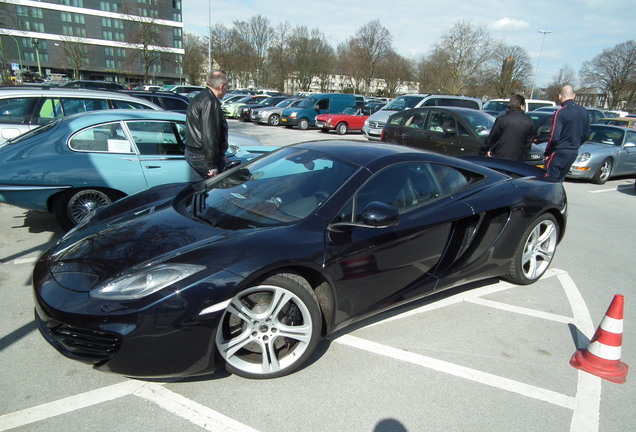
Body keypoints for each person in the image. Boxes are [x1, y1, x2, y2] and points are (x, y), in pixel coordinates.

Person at [185, 70, 230, 178]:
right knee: (216, 191)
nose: (226, 90)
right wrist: (212, 164)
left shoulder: (199, 97)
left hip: (193, 152)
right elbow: (210, 135)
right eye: (227, 87)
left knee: (197, 190)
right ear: (221, 86)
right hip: (203, 156)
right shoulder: (210, 102)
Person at [543, 85, 590, 182]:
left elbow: (554, 137)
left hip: (559, 151)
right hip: (573, 151)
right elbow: (586, 135)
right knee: (560, 179)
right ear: (574, 95)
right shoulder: (583, 111)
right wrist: (575, 144)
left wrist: (548, 152)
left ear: (560, 96)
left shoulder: (561, 112)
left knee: (550, 180)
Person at [482, 94, 534, 162]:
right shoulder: (529, 121)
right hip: (518, 159)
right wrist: (524, 158)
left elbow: (492, 137)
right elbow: (528, 144)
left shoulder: (502, 119)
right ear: (521, 106)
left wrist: (483, 151)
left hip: (500, 157)